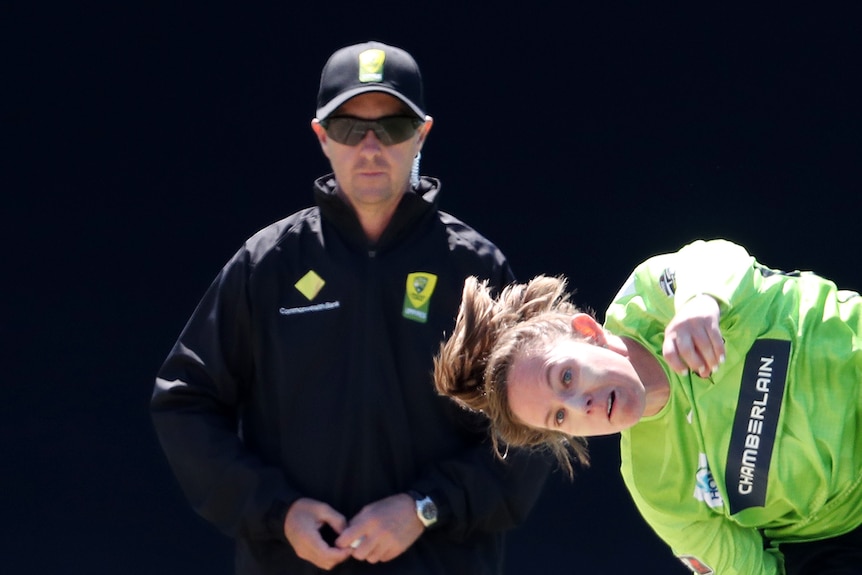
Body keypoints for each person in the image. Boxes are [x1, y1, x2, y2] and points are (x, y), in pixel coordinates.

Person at [150, 40, 550, 575]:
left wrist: (424, 508)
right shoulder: (267, 264)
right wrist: (280, 511)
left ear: (422, 135)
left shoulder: (473, 268)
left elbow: (535, 424)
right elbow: (184, 400)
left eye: (391, 126)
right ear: (320, 137)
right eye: (347, 127)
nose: (370, 146)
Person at [434, 238, 862, 575]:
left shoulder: (653, 297)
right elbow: (745, 568)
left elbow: (712, 260)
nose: (581, 404)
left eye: (565, 376)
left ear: (586, 331)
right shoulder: (656, 488)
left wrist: (700, 303)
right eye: (560, 416)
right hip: (840, 534)